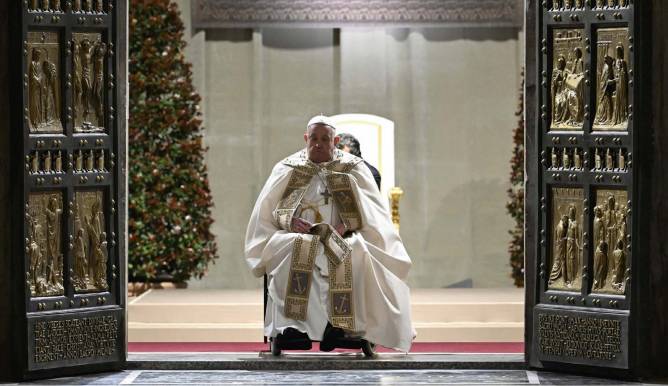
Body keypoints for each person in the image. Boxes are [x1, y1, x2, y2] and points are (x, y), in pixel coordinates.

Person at [245, 115, 414, 352]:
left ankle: (344, 328)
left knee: (355, 251)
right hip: (298, 235)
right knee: (292, 248)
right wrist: (290, 221)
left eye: (325, 139)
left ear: (334, 140)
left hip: (343, 235)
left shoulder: (353, 167)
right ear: (306, 138)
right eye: (314, 138)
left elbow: (370, 211)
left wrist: (347, 224)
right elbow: (270, 210)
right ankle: (293, 329)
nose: (318, 143)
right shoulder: (288, 167)